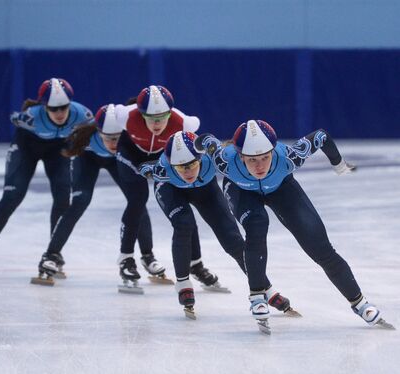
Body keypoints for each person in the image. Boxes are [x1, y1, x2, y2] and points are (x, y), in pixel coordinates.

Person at [195, 119, 394, 330]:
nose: (260, 166)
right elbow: (206, 140)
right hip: (241, 191)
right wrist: (198, 146)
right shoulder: (224, 160)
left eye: (265, 157)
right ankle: (257, 296)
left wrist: (338, 164)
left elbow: (321, 136)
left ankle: (360, 302)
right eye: (252, 160)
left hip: (281, 188)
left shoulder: (289, 156)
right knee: (257, 225)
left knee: (321, 248)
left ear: (273, 151)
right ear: (241, 155)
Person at [139, 131, 298, 319]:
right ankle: (183, 284)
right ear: (171, 165)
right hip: (171, 191)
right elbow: (142, 167)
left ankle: (267, 289)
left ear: (201, 158)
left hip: (206, 191)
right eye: (181, 168)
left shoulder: (215, 160)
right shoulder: (162, 170)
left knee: (233, 240)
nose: (188, 172)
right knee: (183, 223)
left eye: (191, 164)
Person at [0, 78, 93, 279]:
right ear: (44, 106)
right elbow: (10, 119)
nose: (60, 113)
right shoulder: (29, 118)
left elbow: (94, 134)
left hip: (58, 150)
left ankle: (54, 252)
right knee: (13, 195)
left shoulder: (83, 115)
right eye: (54, 109)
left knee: (62, 197)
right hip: (27, 147)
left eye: (63, 107)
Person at [32, 104, 153, 289]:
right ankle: (51, 255)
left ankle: (148, 256)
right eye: (108, 138)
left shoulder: (131, 136)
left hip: (118, 161)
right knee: (80, 201)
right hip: (87, 159)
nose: (113, 144)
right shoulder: (84, 137)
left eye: (117, 138)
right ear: (98, 132)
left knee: (137, 201)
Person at [112, 85, 202, 287]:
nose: (157, 123)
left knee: (183, 205)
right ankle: (126, 257)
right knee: (138, 199)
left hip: (161, 158)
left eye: (162, 117)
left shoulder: (183, 122)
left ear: (170, 113)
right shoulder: (125, 115)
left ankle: (196, 263)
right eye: (150, 117)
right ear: (140, 113)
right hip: (131, 156)